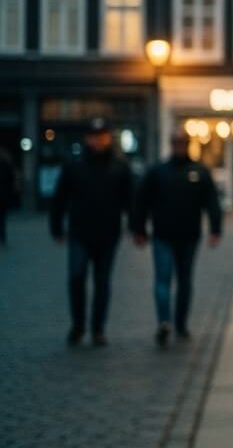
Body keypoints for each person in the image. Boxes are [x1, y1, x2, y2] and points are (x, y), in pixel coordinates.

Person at [131, 130, 222, 346]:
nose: (180, 146)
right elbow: (141, 201)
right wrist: (139, 229)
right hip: (163, 235)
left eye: (183, 142)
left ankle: (180, 324)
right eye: (177, 142)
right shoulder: (158, 172)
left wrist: (215, 229)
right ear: (171, 144)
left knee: (184, 281)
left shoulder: (199, 172)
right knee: (163, 279)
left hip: (189, 236)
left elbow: (212, 202)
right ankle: (165, 321)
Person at [49, 118, 134, 346]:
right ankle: (78, 325)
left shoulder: (119, 166)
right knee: (76, 279)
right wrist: (56, 226)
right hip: (80, 232)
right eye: (94, 136)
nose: (98, 140)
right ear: (88, 138)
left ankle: (98, 328)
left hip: (108, 234)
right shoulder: (74, 165)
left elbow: (130, 200)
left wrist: (137, 227)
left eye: (102, 135)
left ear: (108, 138)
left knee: (102, 282)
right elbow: (60, 198)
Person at [0, 147, 16, 246]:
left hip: (3, 195)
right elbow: (11, 181)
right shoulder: (6, 164)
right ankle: (3, 237)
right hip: (3, 196)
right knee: (2, 218)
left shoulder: (6, 165)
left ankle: (3, 237)